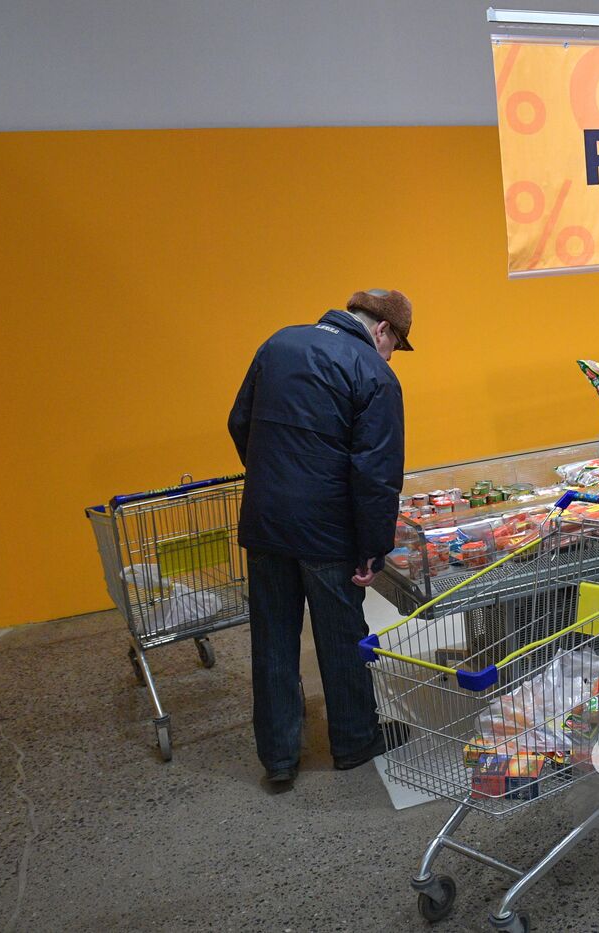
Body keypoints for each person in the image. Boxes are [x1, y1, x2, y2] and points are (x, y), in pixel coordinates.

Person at [228, 289, 413, 786]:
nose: (392, 355)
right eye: (396, 344)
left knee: (272, 636)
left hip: (266, 521)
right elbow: (376, 474)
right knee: (340, 636)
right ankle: (355, 741)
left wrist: (274, 478)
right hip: (327, 532)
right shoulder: (374, 373)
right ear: (383, 331)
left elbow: (239, 422)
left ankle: (279, 755)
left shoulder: (278, 344)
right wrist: (373, 548)